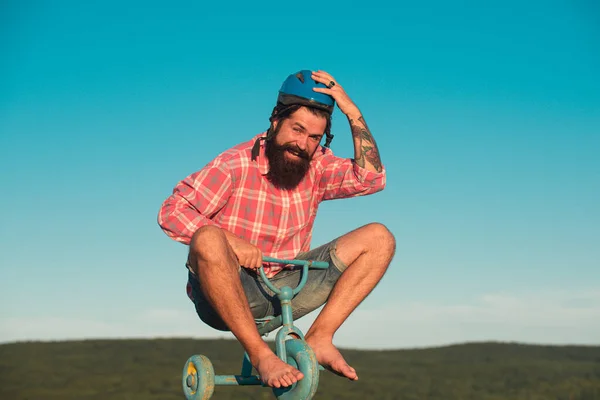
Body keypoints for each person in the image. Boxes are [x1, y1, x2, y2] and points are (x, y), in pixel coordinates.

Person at [157, 69, 396, 388]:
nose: (302, 144)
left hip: (285, 288)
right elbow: (173, 210)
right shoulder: (236, 163)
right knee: (209, 237)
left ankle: (320, 339)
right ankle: (260, 355)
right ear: (275, 121)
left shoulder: (317, 165)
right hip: (226, 291)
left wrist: (352, 112)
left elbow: (371, 179)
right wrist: (232, 242)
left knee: (379, 238)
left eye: (314, 137)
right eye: (297, 129)